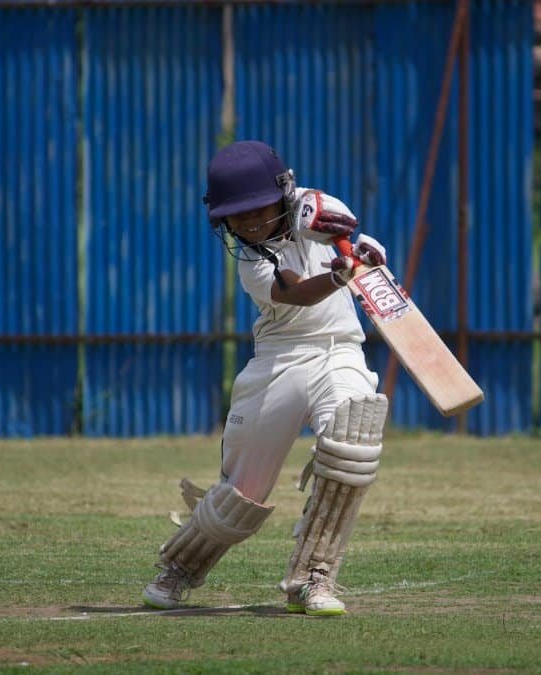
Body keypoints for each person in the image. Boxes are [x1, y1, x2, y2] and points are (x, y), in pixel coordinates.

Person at [142, 140, 390, 617]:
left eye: (257, 211)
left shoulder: (316, 207)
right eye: (236, 217)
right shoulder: (254, 264)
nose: (249, 223)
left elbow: (343, 227)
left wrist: (363, 253)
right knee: (243, 490)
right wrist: (341, 277)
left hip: (341, 350)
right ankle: (180, 568)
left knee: (352, 440)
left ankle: (313, 578)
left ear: (283, 194)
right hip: (279, 360)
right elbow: (297, 294)